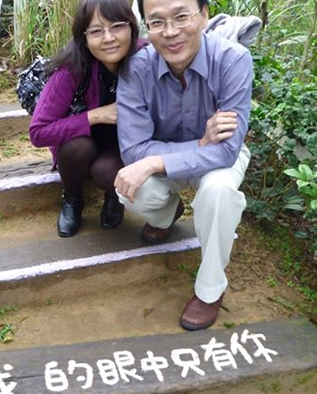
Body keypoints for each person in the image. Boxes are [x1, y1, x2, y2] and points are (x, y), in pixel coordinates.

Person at [114, 0, 253, 331]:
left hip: (217, 160)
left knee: (218, 192)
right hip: (174, 157)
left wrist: (157, 159)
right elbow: (133, 150)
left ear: (204, 15)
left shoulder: (232, 60)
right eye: (157, 22)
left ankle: (210, 289)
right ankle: (166, 214)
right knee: (132, 188)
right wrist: (201, 143)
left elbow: (227, 151)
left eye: (181, 17)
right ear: (146, 27)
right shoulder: (136, 69)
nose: (170, 32)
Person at [29, 0, 140, 238]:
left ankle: (114, 197)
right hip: (83, 144)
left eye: (117, 27)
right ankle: (72, 198)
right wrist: (96, 115)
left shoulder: (146, 59)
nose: (108, 38)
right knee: (76, 147)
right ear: (84, 37)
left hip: (123, 146)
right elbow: (38, 132)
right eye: (97, 31)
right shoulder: (71, 70)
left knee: (107, 171)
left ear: (132, 27)